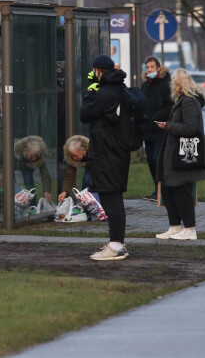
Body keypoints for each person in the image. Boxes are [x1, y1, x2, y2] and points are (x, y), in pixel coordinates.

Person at [80, 54, 131, 261]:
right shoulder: (120, 89)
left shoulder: (105, 93)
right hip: (118, 151)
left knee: (111, 199)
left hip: (107, 152)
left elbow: (84, 113)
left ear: (98, 71)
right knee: (114, 197)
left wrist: (91, 91)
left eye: (95, 71)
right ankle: (118, 242)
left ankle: (115, 246)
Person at [154, 68, 205, 240]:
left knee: (181, 192)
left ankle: (190, 229)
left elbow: (190, 128)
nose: (171, 86)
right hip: (174, 155)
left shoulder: (189, 102)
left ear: (179, 83)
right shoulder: (182, 101)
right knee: (169, 190)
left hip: (183, 156)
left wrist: (168, 126)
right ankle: (175, 226)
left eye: (173, 82)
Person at [141, 56, 173, 201]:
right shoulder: (145, 86)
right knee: (150, 161)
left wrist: (156, 117)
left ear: (158, 68)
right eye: (147, 67)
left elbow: (169, 105)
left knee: (157, 159)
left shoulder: (166, 84)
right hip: (148, 130)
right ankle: (158, 191)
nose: (149, 70)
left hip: (161, 128)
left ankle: (165, 191)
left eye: (152, 67)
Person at [13, 136, 52, 203]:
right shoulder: (15, 151)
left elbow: (45, 175)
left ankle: (32, 203)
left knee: (29, 180)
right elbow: (10, 166)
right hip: (17, 162)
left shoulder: (40, 154)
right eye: (32, 156)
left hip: (26, 163)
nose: (34, 159)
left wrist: (46, 191)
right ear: (25, 151)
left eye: (36, 156)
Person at [58, 135, 91, 202]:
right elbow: (69, 176)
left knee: (87, 178)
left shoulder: (94, 151)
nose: (74, 158)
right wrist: (65, 191)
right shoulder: (73, 159)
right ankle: (86, 202)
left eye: (75, 156)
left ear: (83, 150)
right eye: (72, 156)